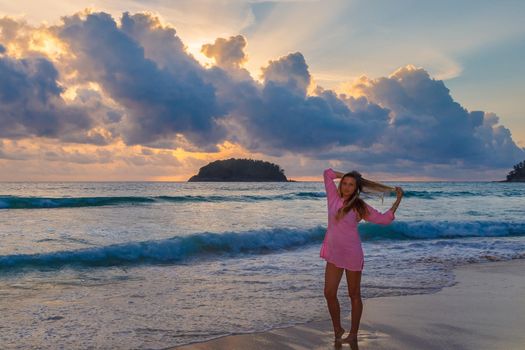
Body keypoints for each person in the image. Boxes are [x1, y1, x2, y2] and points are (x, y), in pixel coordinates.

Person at [320, 168, 403, 343]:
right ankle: (337, 328)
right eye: (345, 183)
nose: (347, 187)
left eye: (351, 185)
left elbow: (384, 219)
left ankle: (353, 334)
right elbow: (327, 173)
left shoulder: (359, 206)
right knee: (329, 292)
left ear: (356, 188)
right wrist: (351, 176)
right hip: (334, 253)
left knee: (354, 294)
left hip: (352, 253)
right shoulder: (333, 197)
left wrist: (398, 200)